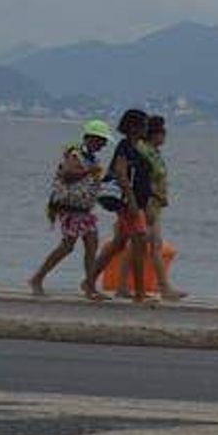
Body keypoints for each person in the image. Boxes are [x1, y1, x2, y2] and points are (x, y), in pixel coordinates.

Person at [28, 121, 111, 299]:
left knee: (92, 244)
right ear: (90, 138)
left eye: (104, 141)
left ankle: (90, 286)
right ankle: (37, 278)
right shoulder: (74, 154)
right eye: (101, 140)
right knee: (67, 246)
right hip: (70, 209)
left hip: (84, 209)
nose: (103, 145)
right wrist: (89, 172)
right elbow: (67, 175)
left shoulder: (92, 159)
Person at [88, 109, 155, 305]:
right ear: (133, 127)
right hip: (128, 203)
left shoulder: (137, 147)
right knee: (140, 242)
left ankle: (88, 281)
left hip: (137, 202)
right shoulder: (125, 147)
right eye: (143, 125)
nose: (146, 128)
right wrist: (132, 201)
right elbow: (121, 173)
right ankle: (139, 292)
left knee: (119, 243)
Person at [140, 114, 185, 301]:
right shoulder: (145, 152)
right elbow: (143, 178)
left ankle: (124, 285)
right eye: (162, 133)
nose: (165, 137)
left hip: (155, 204)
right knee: (153, 244)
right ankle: (163, 286)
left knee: (139, 244)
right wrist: (152, 197)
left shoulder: (153, 152)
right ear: (154, 134)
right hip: (147, 203)